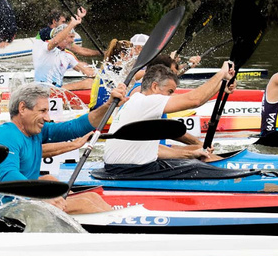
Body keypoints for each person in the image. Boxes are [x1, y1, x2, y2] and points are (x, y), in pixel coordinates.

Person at [0, 82, 125, 214]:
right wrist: (41, 197)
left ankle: (114, 220)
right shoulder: (6, 136)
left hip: (19, 202)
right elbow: (9, 176)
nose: (47, 118)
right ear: (22, 108)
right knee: (85, 203)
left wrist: (107, 106)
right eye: (42, 111)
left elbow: (75, 127)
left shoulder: (36, 131)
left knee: (91, 197)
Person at [97, 63, 257, 180]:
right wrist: (221, 74)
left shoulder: (133, 101)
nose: (171, 96)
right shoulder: (146, 102)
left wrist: (191, 152)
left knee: (195, 159)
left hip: (118, 168)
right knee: (199, 167)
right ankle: (248, 177)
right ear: (154, 86)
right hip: (131, 171)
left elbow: (152, 149)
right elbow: (194, 100)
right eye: (170, 92)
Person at [32, 8, 96, 91]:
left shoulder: (68, 55)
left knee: (89, 81)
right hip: (41, 91)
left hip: (57, 91)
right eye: (71, 37)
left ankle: (59, 90)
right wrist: (72, 25)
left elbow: (89, 72)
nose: (73, 40)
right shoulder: (46, 46)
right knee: (88, 82)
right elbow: (56, 40)